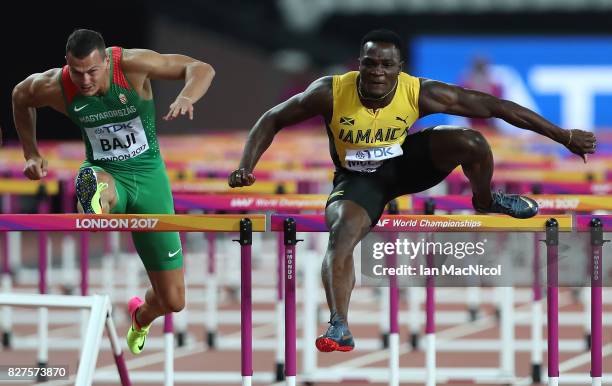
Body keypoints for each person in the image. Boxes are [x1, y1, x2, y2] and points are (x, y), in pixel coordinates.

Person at [228, 29, 597, 353]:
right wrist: (247, 165)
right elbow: (272, 118)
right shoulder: (330, 92)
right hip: (359, 183)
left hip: (406, 167)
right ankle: (339, 324)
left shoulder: (419, 91)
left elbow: (498, 107)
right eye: (370, 64)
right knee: (340, 236)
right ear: (359, 63)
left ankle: (485, 200)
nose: (377, 72)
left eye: (386, 65)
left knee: (472, 141)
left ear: (399, 67)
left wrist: (563, 136)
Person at [12, 29, 215, 354]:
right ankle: (92, 198)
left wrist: (187, 95)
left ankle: (140, 315)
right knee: (97, 190)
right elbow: (20, 97)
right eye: (77, 72)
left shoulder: (132, 65)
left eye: (92, 71)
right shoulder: (57, 86)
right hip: (108, 174)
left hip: (150, 181)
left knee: (173, 300)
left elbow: (201, 68)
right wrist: (31, 153)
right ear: (68, 65)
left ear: (106, 61)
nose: (85, 80)